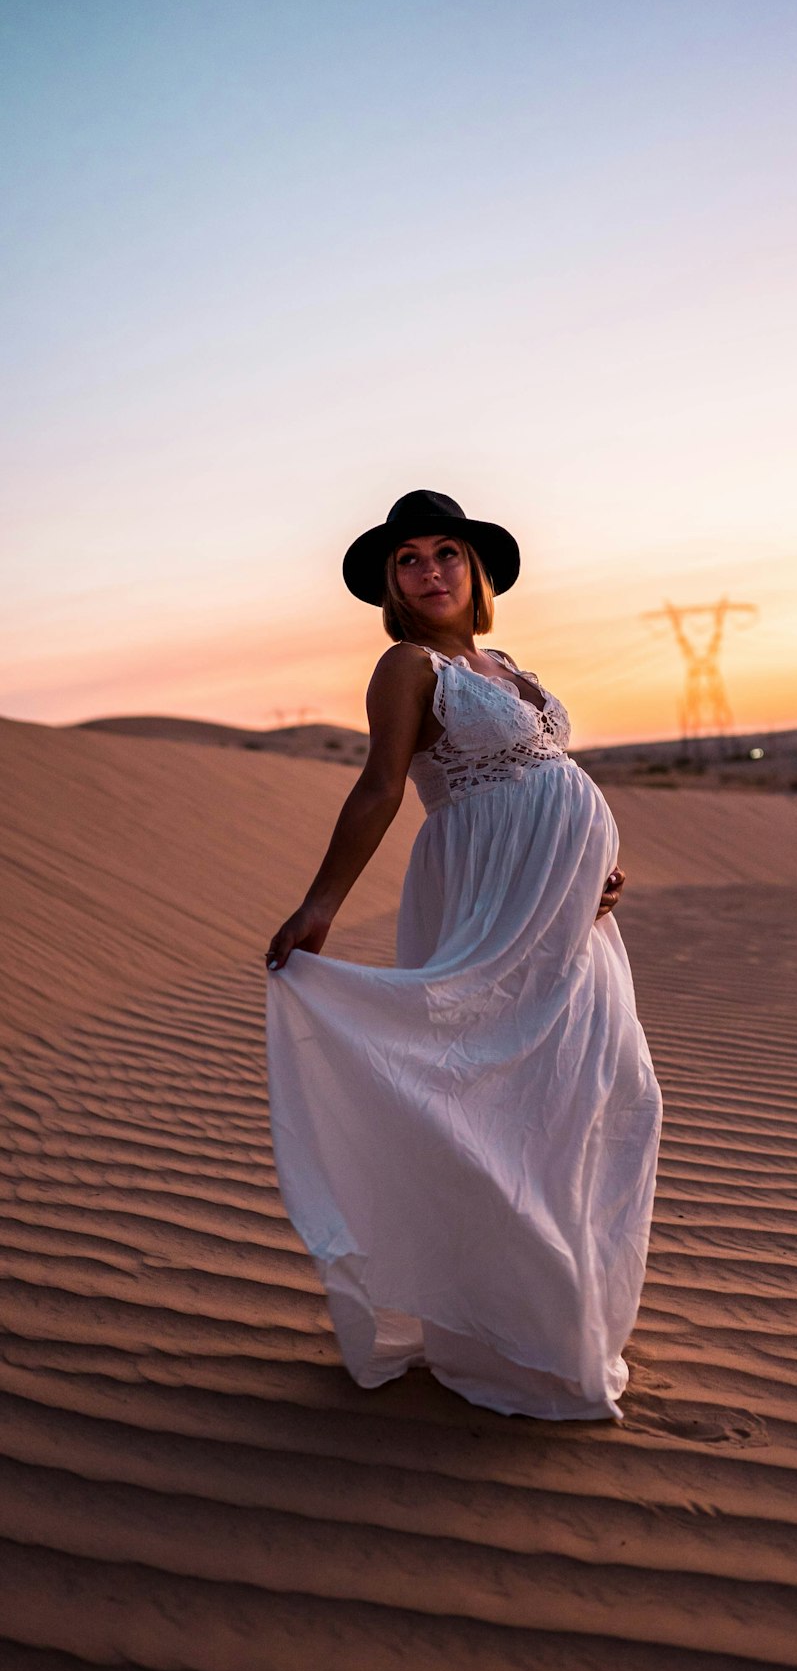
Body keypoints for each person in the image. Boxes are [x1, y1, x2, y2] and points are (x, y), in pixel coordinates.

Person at [264, 489, 663, 1421]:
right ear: (392, 585)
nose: (431, 569)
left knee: (608, 1090)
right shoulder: (404, 667)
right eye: (410, 559)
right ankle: (503, 1330)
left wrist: (600, 866)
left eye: (447, 552)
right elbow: (378, 789)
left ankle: (569, 1314)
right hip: (488, 903)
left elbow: (553, 780)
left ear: (475, 570)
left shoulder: (507, 665)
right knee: (502, 1099)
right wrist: (321, 903)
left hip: (571, 920)